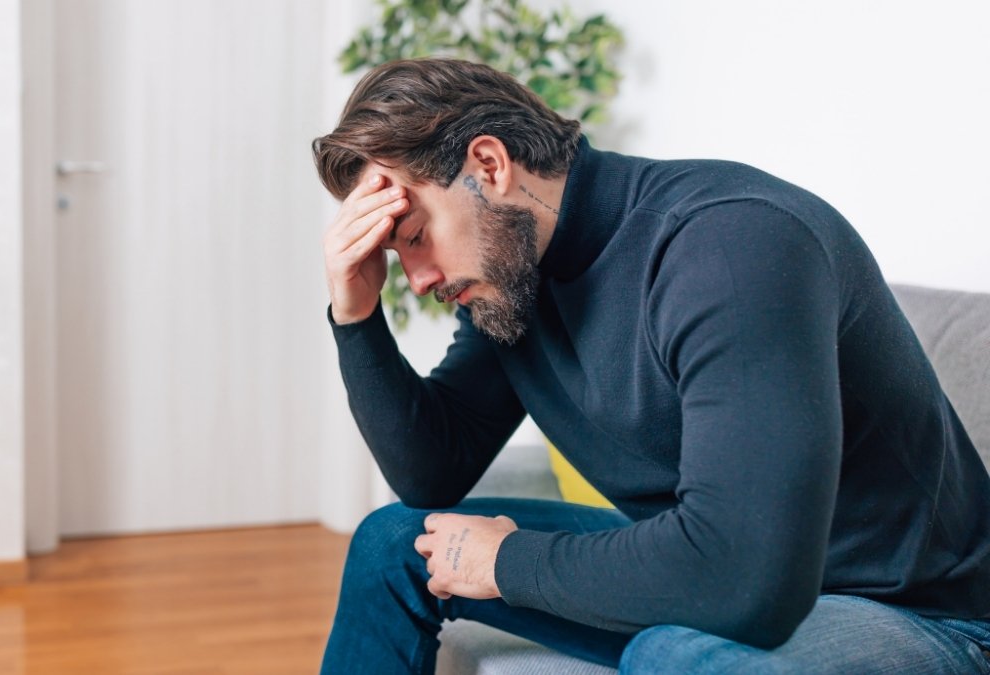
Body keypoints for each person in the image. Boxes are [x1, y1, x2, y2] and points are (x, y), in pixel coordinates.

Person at [312, 58, 990, 674]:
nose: (419, 279)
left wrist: (508, 561)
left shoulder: (731, 246)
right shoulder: (515, 278)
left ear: (489, 166)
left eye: (415, 236)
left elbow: (745, 578)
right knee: (394, 543)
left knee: (672, 657)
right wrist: (356, 312)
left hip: (918, 616)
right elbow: (432, 472)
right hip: (702, 567)